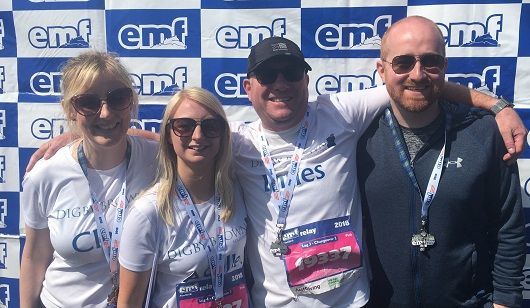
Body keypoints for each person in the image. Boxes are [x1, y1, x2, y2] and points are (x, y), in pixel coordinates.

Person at [24, 36, 527, 308]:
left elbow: (415, 87)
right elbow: (179, 133)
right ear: (249, 87)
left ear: (308, 80)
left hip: (348, 300)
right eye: (268, 76)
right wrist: (85, 129)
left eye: (291, 74)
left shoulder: (342, 112)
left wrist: (496, 105)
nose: (280, 84)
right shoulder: (233, 139)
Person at [357, 16, 525, 307]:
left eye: (431, 61)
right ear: (382, 70)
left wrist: (505, 300)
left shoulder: (484, 134)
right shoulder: (356, 136)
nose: (418, 74)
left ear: (444, 68)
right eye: (403, 63)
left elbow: (508, 225)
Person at [19, 51, 158, 307]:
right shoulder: (44, 174)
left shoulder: (157, 160)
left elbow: (201, 143)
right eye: (88, 103)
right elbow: (35, 257)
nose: (105, 113)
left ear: (132, 102)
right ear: (71, 111)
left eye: (118, 98)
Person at [117, 87, 248, 308]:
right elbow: (128, 303)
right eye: (184, 126)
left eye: (210, 126)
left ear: (223, 134)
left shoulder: (238, 191)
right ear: (168, 134)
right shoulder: (148, 212)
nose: (198, 136)